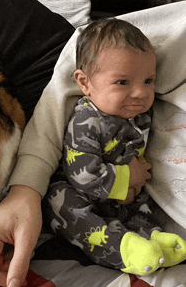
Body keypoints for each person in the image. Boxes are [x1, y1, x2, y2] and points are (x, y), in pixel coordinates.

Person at [42, 18, 186, 275]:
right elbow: (82, 173)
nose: (140, 93)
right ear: (84, 83)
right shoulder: (87, 119)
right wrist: (129, 177)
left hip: (122, 196)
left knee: (140, 209)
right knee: (61, 205)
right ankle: (122, 250)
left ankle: (153, 238)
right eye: (123, 82)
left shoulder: (141, 116)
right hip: (81, 192)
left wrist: (133, 184)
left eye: (148, 81)